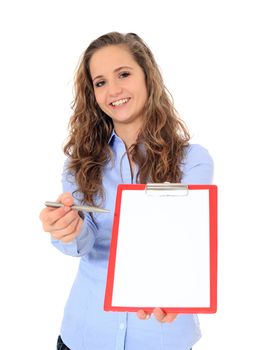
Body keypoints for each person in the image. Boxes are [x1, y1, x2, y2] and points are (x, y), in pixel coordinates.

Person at [39, 32, 213, 350]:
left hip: (160, 336)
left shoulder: (193, 161)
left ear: (147, 76)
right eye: (100, 82)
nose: (114, 90)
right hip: (85, 335)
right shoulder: (79, 163)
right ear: (92, 94)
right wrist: (69, 229)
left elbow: (185, 244)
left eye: (123, 74)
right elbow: (83, 243)